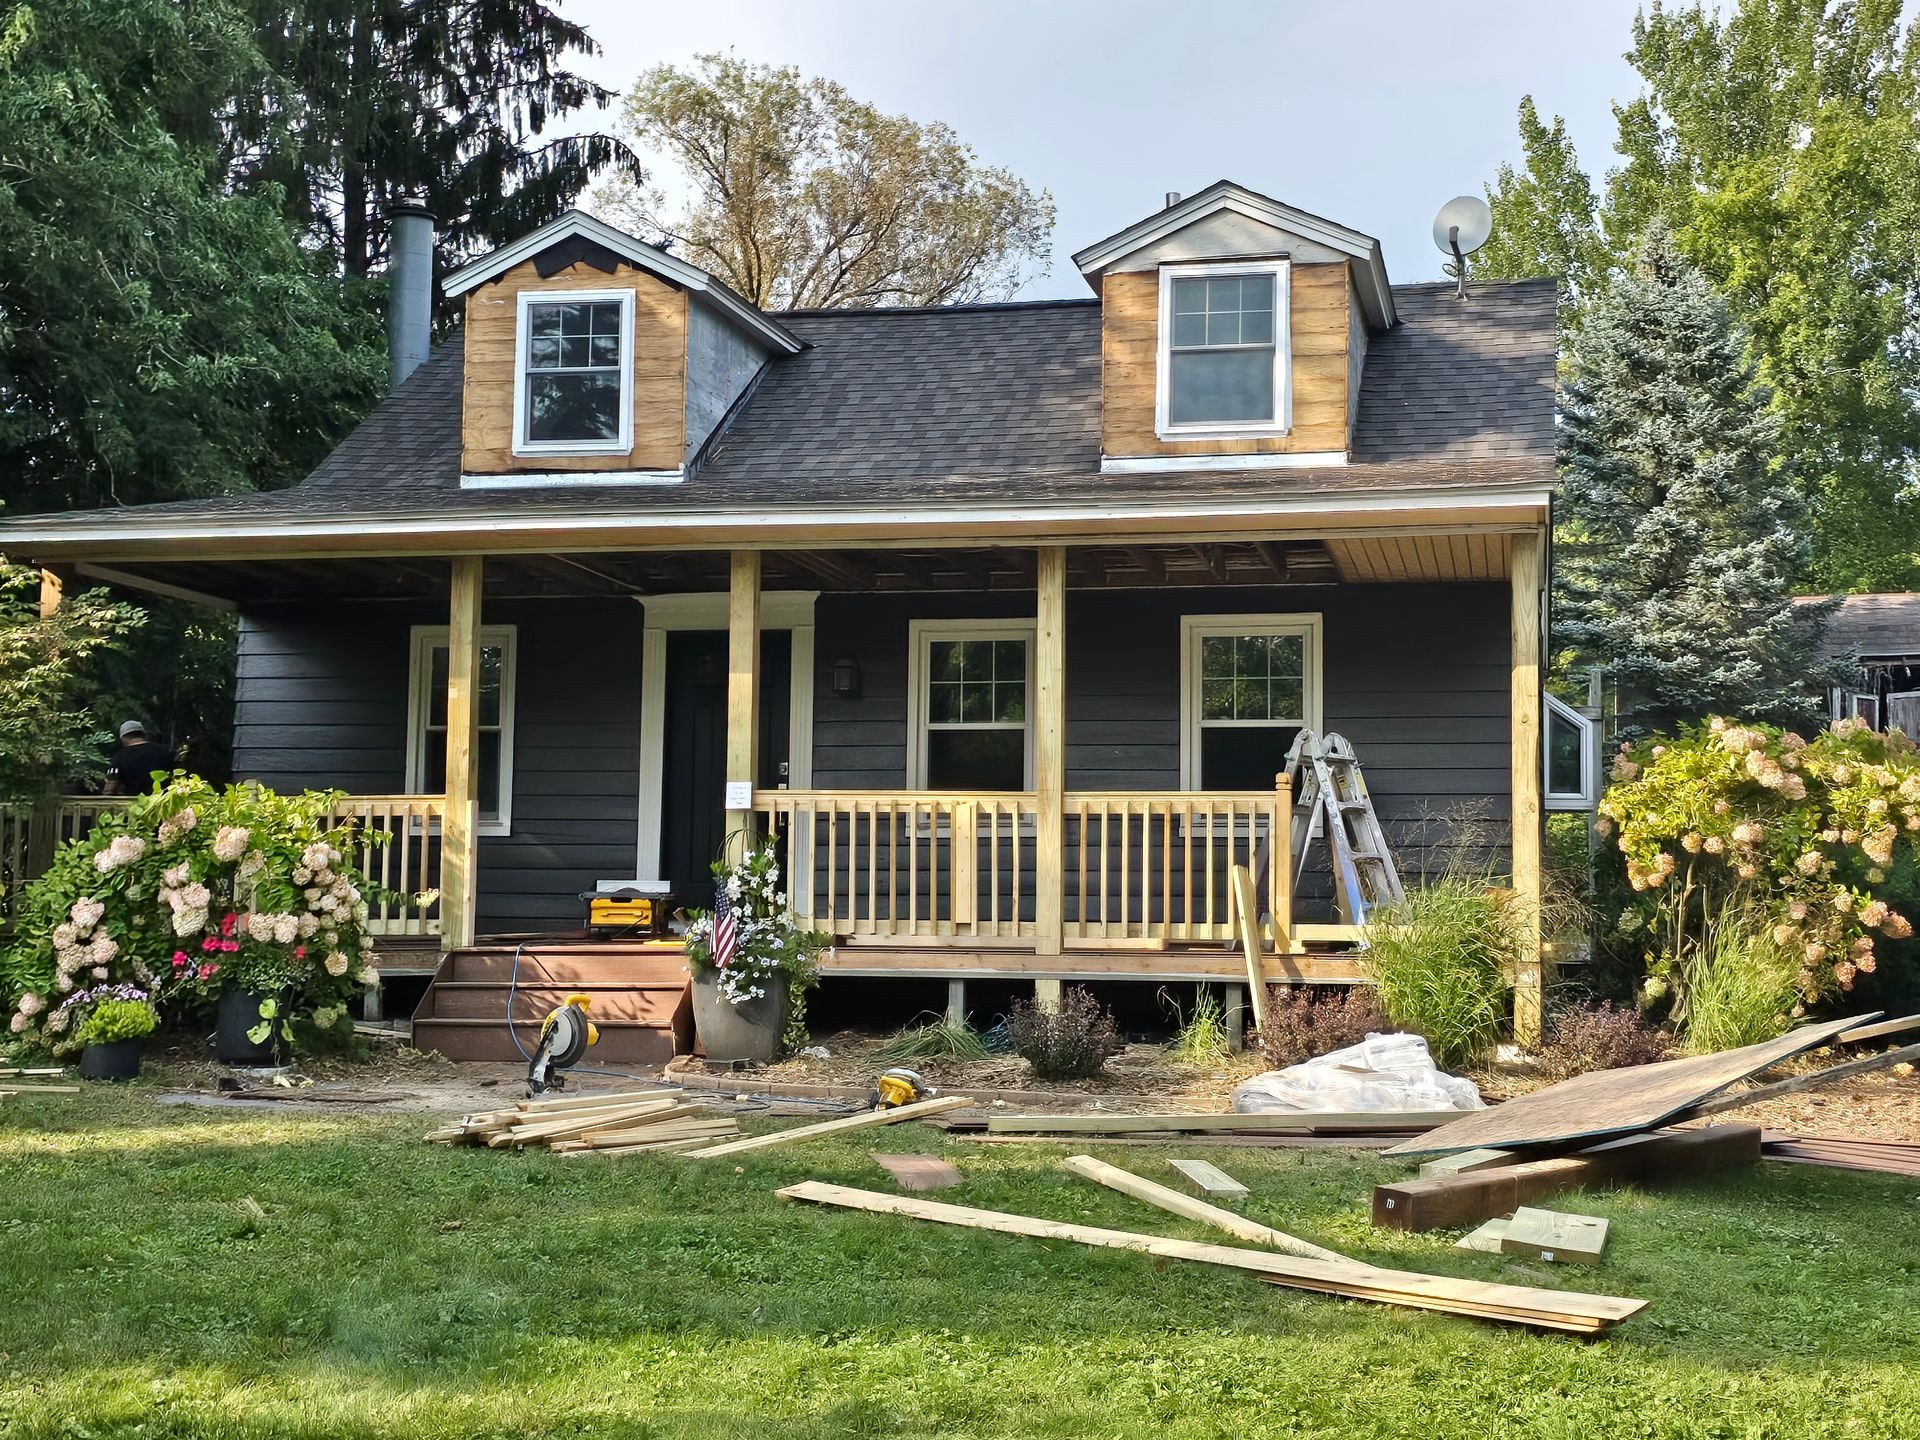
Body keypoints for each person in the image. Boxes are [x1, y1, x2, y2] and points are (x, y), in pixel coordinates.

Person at [104, 720, 176, 796]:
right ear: (144, 735)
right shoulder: (166, 751)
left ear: (123, 738)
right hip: (163, 801)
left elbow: (111, 787)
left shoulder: (119, 757)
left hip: (133, 804)